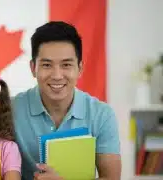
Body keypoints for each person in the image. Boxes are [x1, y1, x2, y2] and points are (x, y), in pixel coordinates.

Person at [12, 21, 121, 180]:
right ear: (32, 68)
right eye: (47, 65)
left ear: (80, 69)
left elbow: (112, 178)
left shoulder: (102, 114)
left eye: (66, 65)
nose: (57, 75)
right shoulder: (11, 109)